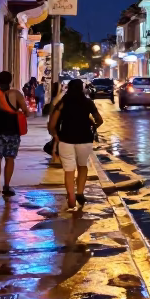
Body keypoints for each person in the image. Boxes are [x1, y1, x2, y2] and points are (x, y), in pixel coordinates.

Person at [48, 79, 103, 211]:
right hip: (85, 139)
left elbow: (52, 124)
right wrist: (93, 127)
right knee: (82, 166)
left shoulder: (62, 103)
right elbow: (99, 120)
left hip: (66, 140)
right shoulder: (88, 102)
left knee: (69, 170)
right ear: (82, 89)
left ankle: (71, 198)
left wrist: (55, 135)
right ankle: (80, 193)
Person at [0, 70, 29, 198]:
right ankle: (7, 186)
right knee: (10, 159)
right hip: (12, 131)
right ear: (10, 80)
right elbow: (26, 111)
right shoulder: (17, 94)